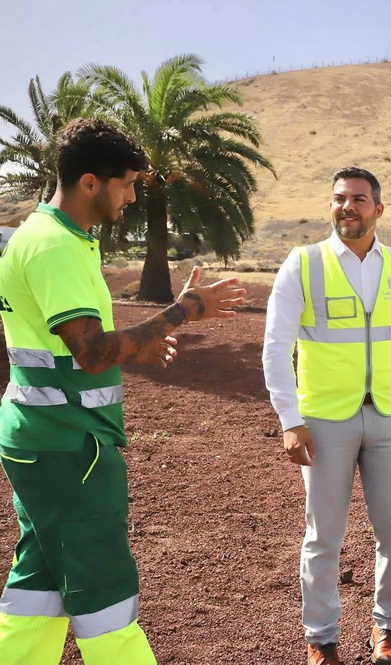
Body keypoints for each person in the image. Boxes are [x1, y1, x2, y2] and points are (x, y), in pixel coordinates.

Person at [0, 117, 246, 664]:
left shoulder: (59, 239)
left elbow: (73, 348)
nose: (134, 196)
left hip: (47, 440)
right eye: (127, 183)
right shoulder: (54, 248)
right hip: (70, 447)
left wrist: (144, 342)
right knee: (103, 587)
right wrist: (181, 313)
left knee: (39, 583)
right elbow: (90, 353)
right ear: (90, 182)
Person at [262, 167, 391, 665]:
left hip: (390, 417)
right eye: (339, 199)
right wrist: (289, 419)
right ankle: (322, 641)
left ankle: (388, 635)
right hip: (324, 421)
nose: (347, 207)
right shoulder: (303, 263)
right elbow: (276, 347)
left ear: (378, 210)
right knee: (323, 536)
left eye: (359, 199)